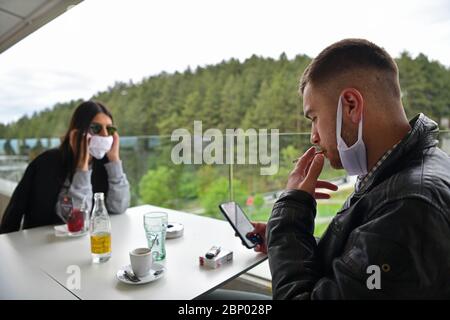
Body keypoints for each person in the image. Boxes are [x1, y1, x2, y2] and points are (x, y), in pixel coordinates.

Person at [247, 39, 450, 299]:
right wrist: (286, 238)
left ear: (351, 105)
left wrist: (287, 220)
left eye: (314, 118)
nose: (313, 137)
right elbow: (363, 267)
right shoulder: (406, 171)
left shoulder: (408, 206)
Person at [0, 101, 130, 233]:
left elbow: (119, 207)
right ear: (77, 132)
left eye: (109, 129)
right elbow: (75, 220)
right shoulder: (46, 163)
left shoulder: (104, 164)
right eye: (95, 128)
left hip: (87, 243)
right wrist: (82, 168)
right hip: (42, 245)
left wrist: (115, 160)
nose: (104, 135)